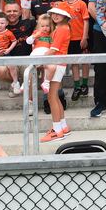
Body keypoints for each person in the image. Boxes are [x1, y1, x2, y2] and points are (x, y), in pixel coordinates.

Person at [40, 7, 73, 142]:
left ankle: (57, 130)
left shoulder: (62, 29)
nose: (55, 16)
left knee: (51, 98)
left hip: (57, 63)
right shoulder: (62, 28)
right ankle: (63, 127)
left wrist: (39, 58)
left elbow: (53, 49)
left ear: (65, 16)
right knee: (55, 97)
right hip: (59, 63)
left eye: (59, 14)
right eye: (54, 13)